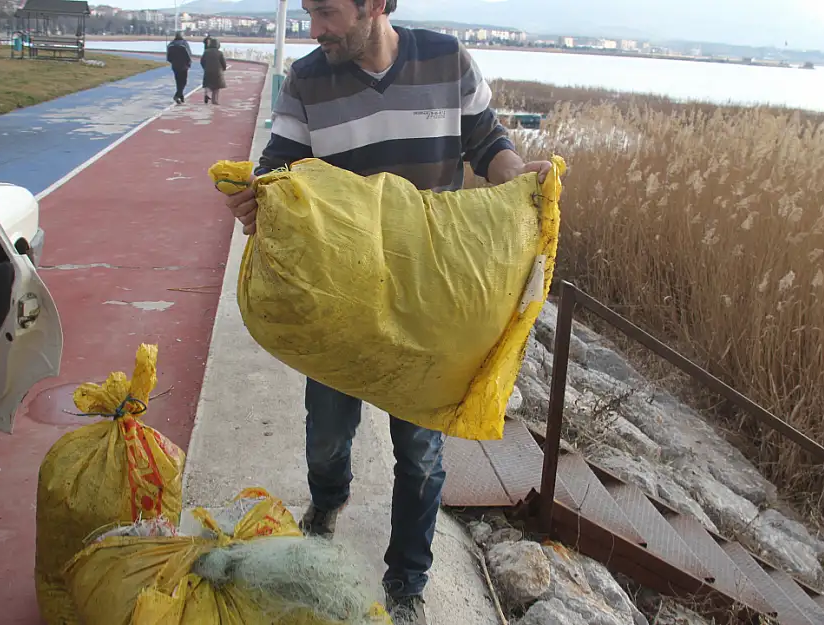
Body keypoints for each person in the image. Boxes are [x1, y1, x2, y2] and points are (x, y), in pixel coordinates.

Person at [221, 0, 554, 623]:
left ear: (376, 4)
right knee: (325, 433)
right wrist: (254, 199)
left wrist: (519, 180)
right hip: (340, 301)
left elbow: (487, 143)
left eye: (326, 13)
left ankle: (406, 582)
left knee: (422, 456)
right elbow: (279, 169)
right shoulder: (307, 79)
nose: (314, 30)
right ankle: (328, 500)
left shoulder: (446, 59)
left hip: (434, 302)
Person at [166, 32, 193, 104]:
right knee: (183, 82)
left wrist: (172, 61)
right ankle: (177, 95)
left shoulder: (171, 44)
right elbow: (189, 54)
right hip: (184, 65)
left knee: (178, 82)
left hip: (175, 65)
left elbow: (168, 57)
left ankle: (181, 96)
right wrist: (189, 63)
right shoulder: (184, 44)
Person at [200, 37, 228, 105]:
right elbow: (223, 63)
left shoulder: (206, 52)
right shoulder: (220, 53)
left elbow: (202, 61)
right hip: (217, 71)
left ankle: (207, 93)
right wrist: (224, 68)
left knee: (208, 84)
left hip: (208, 71)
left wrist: (205, 67)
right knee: (216, 87)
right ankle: (214, 101)